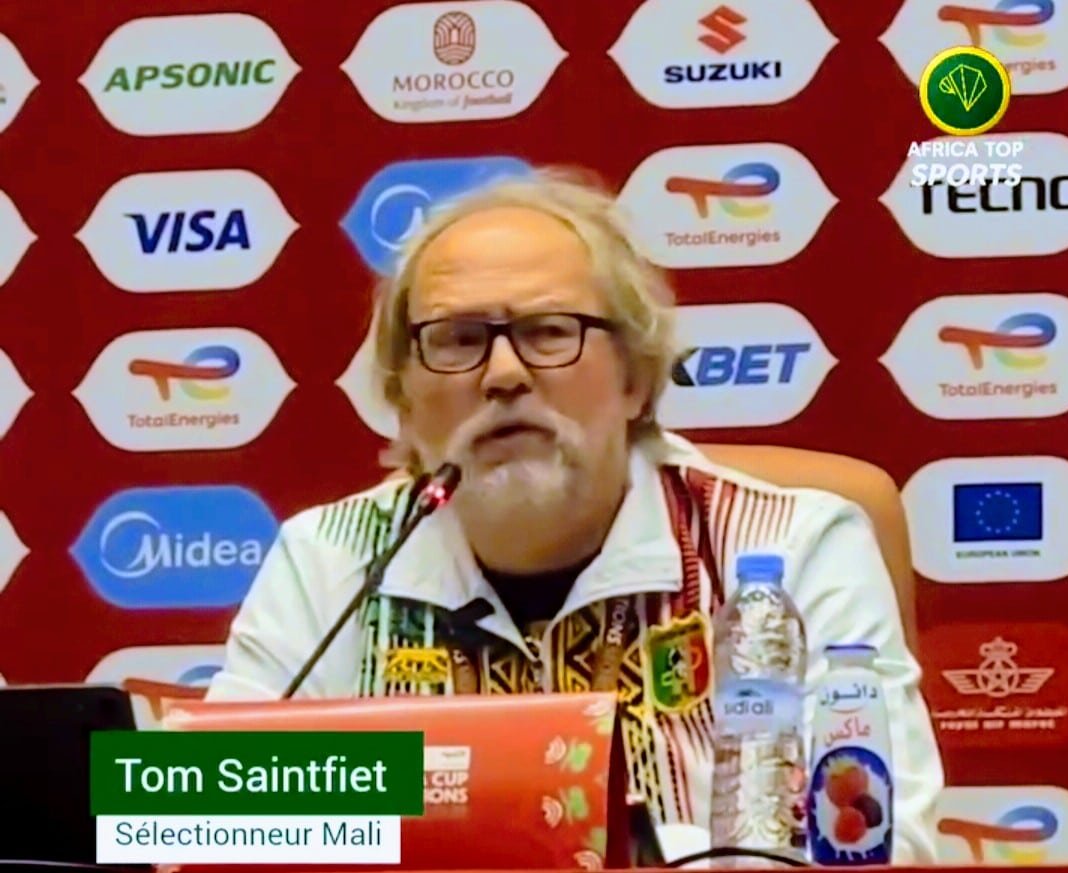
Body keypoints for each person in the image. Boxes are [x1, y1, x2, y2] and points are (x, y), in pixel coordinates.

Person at [206, 167, 943, 860]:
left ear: (634, 379)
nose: (503, 375)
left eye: (550, 331)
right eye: (459, 340)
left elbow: (879, 841)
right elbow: (215, 823)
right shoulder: (331, 558)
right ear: (405, 400)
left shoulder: (792, 545)